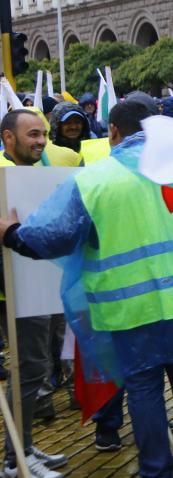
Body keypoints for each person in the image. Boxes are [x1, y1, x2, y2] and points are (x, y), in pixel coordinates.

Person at [0, 101, 173, 478]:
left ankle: (156, 470)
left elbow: (51, 239)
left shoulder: (93, 180)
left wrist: (10, 233)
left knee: (143, 388)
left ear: (112, 132)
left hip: (128, 308)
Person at [0, 110, 68, 478]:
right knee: (28, 369)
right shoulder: (1, 176)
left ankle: (21, 446)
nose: (42, 141)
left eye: (43, 134)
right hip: (15, 289)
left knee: (33, 368)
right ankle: (15, 460)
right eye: (33, 135)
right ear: (9, 138)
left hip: (42, 281)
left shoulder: (39, 172)